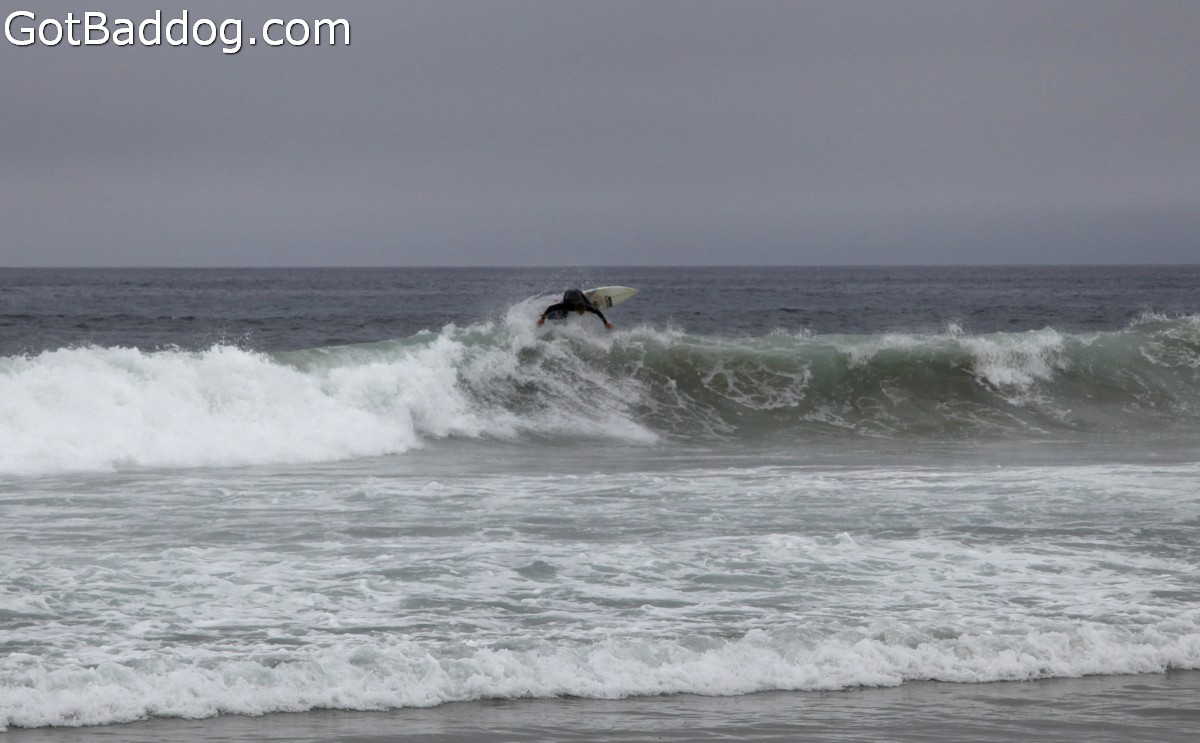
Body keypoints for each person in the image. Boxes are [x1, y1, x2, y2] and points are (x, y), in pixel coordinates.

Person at [537, 288, 614, 329]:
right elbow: (551, 307)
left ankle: (591, 303)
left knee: (591, 306)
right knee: (564, 315)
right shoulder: (568, 306)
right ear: (575, 309)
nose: (582, 313)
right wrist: (543, 318)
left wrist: (605, 323)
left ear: (585, 308)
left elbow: (597, 312)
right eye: (580, 312)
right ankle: (558, 302)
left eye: (583, 311)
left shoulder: (586, 306)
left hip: (578, 292)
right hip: (568, 294)